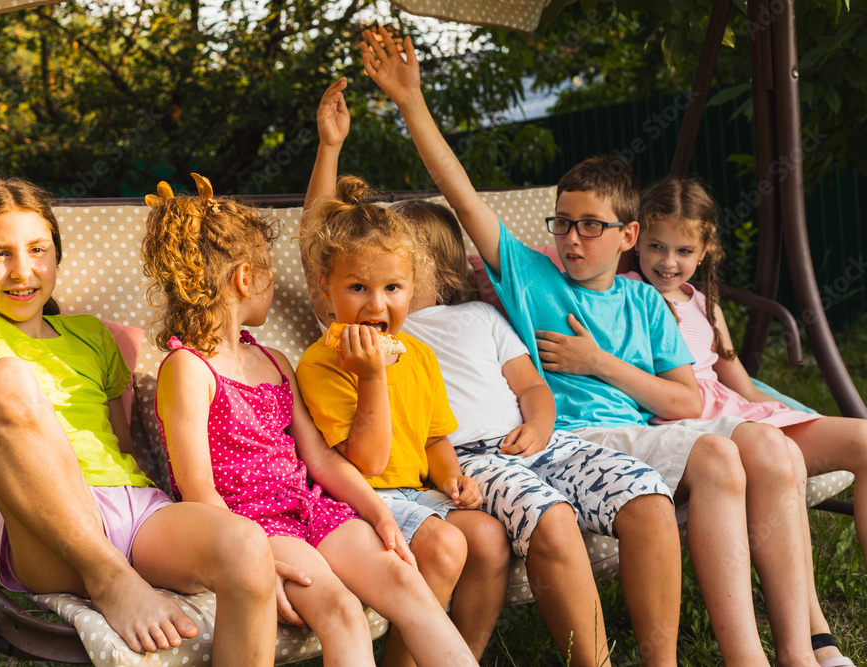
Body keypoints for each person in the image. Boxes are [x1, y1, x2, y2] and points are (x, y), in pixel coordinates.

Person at [360, 25, 822, 667]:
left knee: (749, 451)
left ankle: (786, 647)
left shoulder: (642, 299)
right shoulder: (531, 277)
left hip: (629, 436)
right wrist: (412, 102)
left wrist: (598, 362)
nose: (572, 238)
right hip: (569, 439)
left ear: (628, 234)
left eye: (590, 226)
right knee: (719, 457)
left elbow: (684, 400)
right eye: (563, 224)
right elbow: (461, 195)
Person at [0, 19, 279, 661]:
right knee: (5, 378)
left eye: (37, 250)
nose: (22, 271)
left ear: (56, 255)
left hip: (134, 507)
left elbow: (124, 443)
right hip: (45, 528)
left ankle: (132, 573)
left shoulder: (93, 337)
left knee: (245, 548)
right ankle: (111, 580)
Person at [141, 176, 481, 667]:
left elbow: (318, 458)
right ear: (245, 278)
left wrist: (377, 513)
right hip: (252, 523)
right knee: (342, 610)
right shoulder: (187, 368)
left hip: (311, 506)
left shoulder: (274, 361)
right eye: (269, 270)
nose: (274, 284)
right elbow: (198, 491)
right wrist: (260, 564)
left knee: (404, 582)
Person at [394, 198, 683, 667]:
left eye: (397, 260)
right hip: (463, 459)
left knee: (647, 495)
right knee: (551, 517)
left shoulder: (482, 317)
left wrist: (539, 425)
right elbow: (319, 238)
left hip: (539, 441)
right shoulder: (372, 329)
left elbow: (531, 386)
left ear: (436, 266)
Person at [633, 175, 864, 666]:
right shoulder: (627, 294)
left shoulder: (703, 302)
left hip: (735, 412)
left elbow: (742, 386)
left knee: (863, 439)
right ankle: (814, 639)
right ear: (634, 238)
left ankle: (814, 638)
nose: (668, 261)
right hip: (688, 425)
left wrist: (791, 414)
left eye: (683, 250)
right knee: (780, 459)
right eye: (655, 246)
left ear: (705, 250)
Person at [296, 169, 511, 664]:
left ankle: (460, 654)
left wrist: (453, 478)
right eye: (357, 287)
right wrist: (372, 376)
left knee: (489, 538)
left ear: (413, 287)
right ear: (326, 288)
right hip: (358, 500)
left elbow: (434, 439)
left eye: (393, 287)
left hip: (416, 493)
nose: (377, 304)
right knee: (445, 547)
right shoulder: (321, 363)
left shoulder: (419, 354)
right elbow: (366, 463)